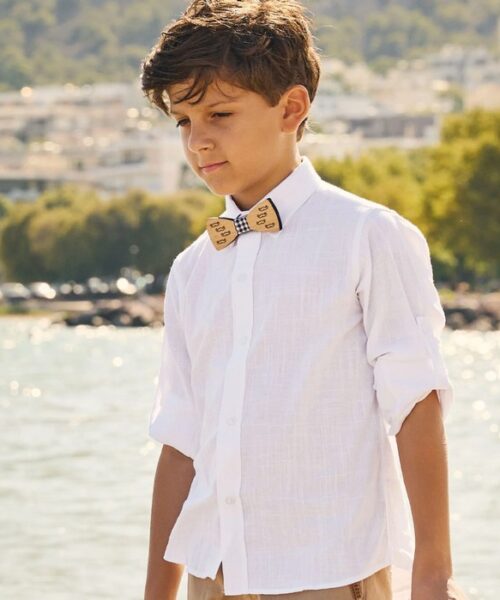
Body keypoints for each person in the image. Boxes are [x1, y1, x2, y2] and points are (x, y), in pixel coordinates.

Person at [140, 1, 468, 599]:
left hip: (327, 570)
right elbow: (181, 442)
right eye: (183, 122)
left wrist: (433, 574)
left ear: (291, 108)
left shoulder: (368, 235)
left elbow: (415, 402)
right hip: (211, 575)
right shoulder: (192, 268)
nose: (198, 140)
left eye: (219, 114)